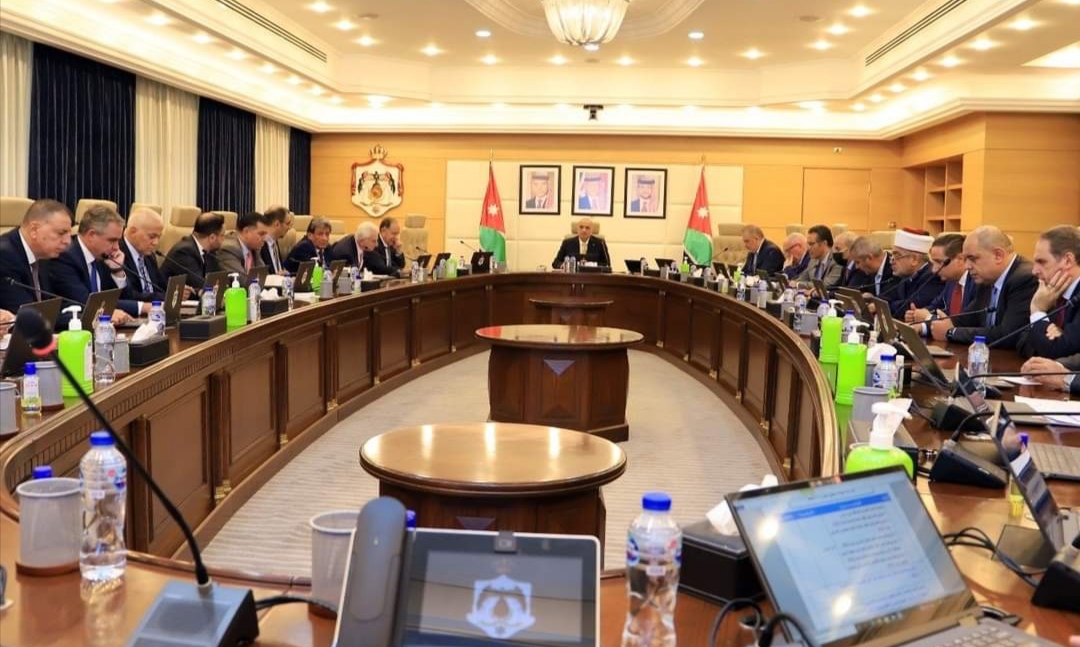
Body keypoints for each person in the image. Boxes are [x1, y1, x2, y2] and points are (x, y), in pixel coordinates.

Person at [927, 225, 1037, 348]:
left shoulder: (1024, 279)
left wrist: (951, 333)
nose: (967, 266)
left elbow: (1008, 335)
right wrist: (925, 327)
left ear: (998, 256)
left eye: (972, 259)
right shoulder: (986, 278)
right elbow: (967, 319)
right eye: (966, 259)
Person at [48, 204, 136, 323]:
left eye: (118, 241)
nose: (116, 247)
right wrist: (107, 313)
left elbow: (123, 299)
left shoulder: (102, 257)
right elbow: (83, 301)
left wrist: (117, 271)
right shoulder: (65, 256)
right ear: (91, 235)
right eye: (112, 240)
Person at [0, 199, 72, 326]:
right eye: (61, 233)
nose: (68, 241)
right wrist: (77, 319)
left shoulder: (42, 254)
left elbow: (54, 302)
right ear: (34, 230)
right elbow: (28, 314)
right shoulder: (4, 256)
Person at [1018, 225, 1080, 359]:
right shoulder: (1050, 293)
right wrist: (1046, 337)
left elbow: (1056, 351)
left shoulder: (1044, 300)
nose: (1034, 271)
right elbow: (1022, 343)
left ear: (1068, 261)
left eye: (1042, 262)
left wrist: (1037, 310)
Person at [905, 233, 971, 335]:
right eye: (933, 263)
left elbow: (966, 323)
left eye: (939, 262)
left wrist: (928, 317)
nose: (934, 270)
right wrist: (918, 318)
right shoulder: (951, 282)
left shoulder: (976, 284)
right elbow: (935, 307)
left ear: (960, 259)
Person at [880, 228, 944, 319]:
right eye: (892, 255)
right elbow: (886, 299)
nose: (891, 261)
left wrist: (887, 306)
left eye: (897, 255)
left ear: (914, 259)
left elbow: (910, 306)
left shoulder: (932, 277)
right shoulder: (904, 275)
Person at [119, 207, 178, 303]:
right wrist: (163, 296)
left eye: (159, 237)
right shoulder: (117, 254)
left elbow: (160, 287)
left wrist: (174, 291)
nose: (156, 242)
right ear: (133, 231)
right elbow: (127, 295)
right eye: (152, 236)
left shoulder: (149, 255)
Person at [162, 212, 225, 289]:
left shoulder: (210, 251)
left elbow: (221, 277)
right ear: (212, 238)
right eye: (222, 235)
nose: (224, 239)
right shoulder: (184, 252)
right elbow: (199, 284)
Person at [218, 211, 270, 277]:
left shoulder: (254, 248)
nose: (265, 239)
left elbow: (263, 275)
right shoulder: (229, 249)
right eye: (261, 234)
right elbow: (241, 279)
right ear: (246, 232)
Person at [260, 206, 292, 274]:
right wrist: (276, 277)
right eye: (287, 224)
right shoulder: (259, 245)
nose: (289, 228)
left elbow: (279, 270)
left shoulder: (274, 241)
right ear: (277, 224)